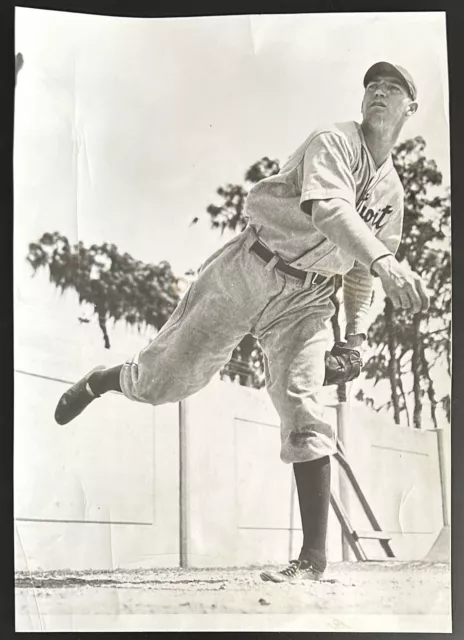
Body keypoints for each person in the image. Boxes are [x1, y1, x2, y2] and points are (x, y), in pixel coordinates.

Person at [55, 61, 429, 582]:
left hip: (307, 300)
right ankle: (105, 380)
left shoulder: (393, 197)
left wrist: (359, 335)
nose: (379, 94)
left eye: (393, 89)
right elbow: (327, 212)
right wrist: (386, 263)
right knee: (164, 382)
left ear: (411, 108)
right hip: (251, 266)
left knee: (302, 403)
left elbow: (361, 274)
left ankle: (313, 560)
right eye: (372, 85)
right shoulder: (335, 141)